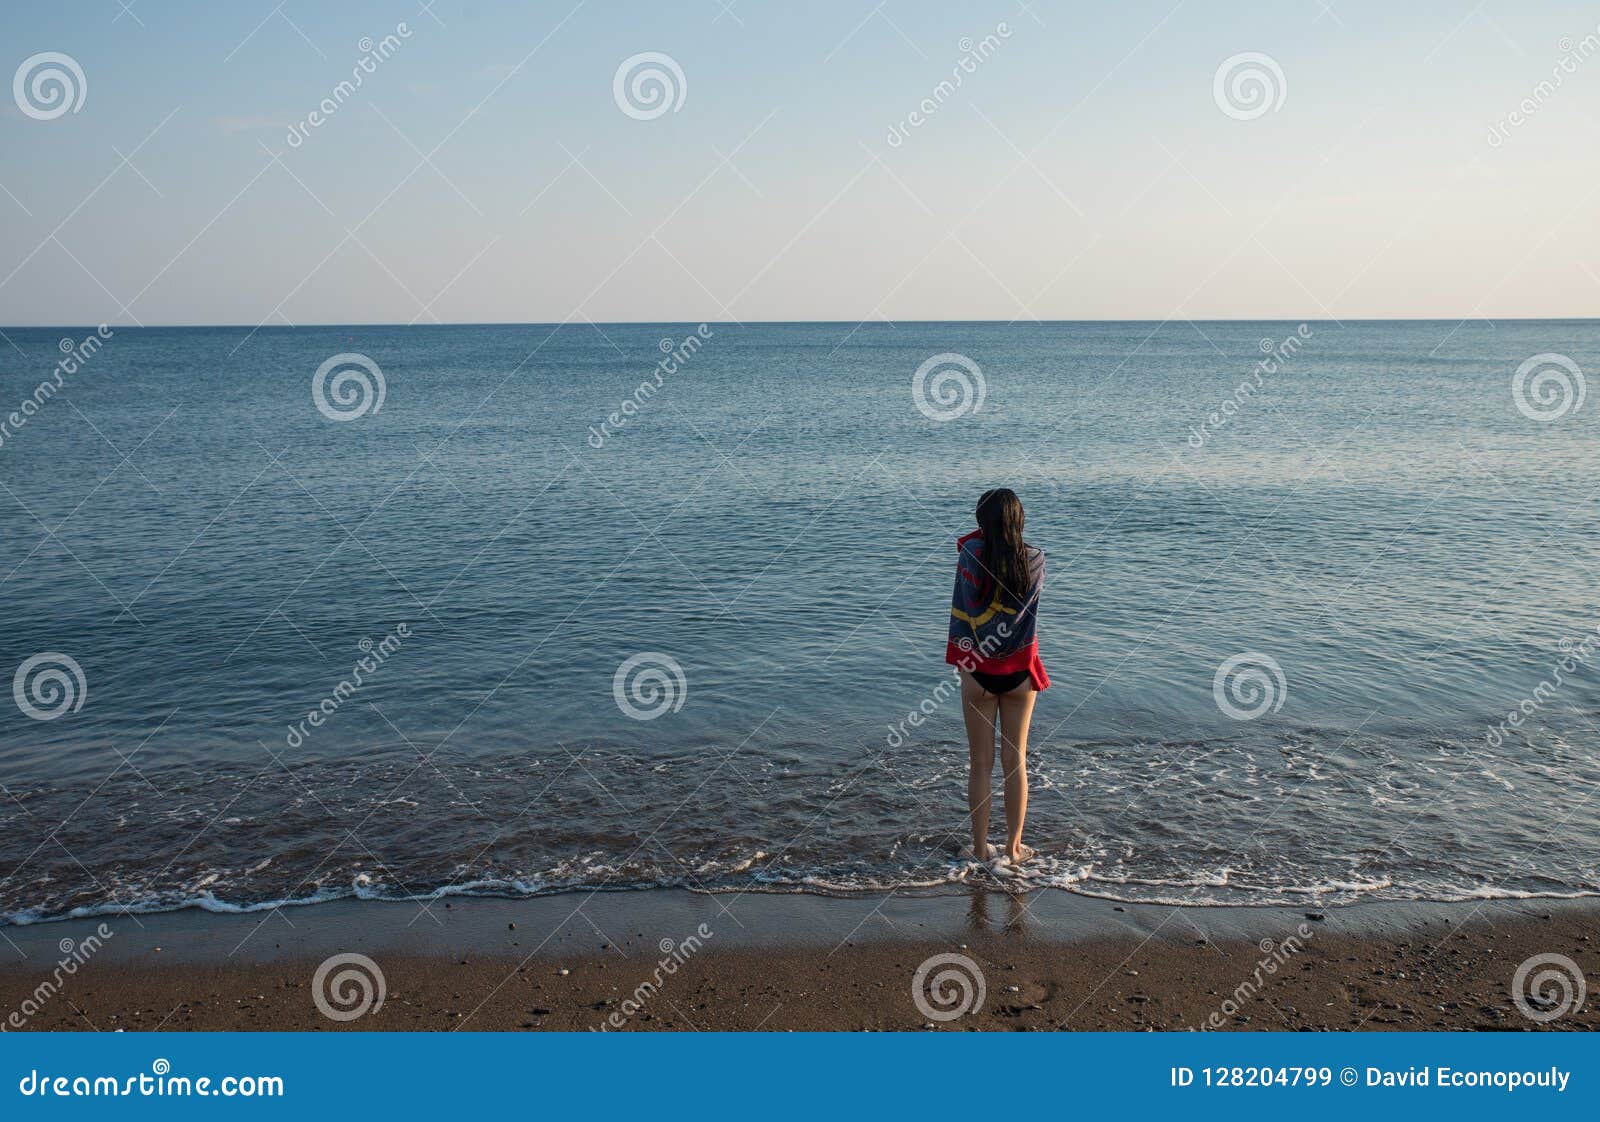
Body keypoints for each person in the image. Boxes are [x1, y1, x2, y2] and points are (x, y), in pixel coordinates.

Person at [945, 488, 1048, 873]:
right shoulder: (1036, 559)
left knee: (979, 764)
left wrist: (964, 661)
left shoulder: (971, 556)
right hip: (1020, 673)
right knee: (1015, 762)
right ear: (1019, 521)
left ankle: (978, 849)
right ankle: (1014, 847)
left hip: (977, 672)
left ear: (981, 523)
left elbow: (961, 610)